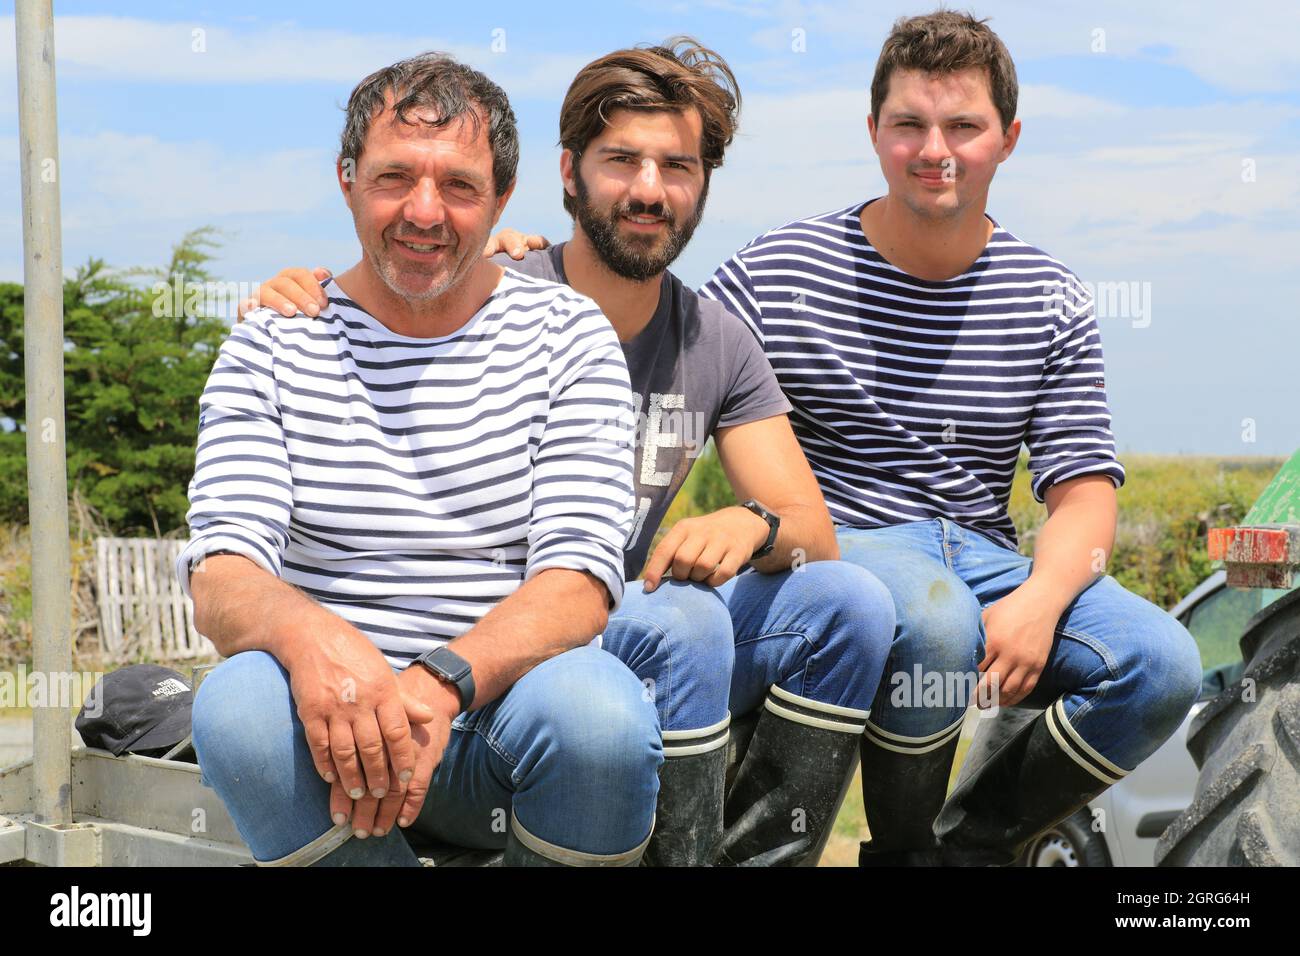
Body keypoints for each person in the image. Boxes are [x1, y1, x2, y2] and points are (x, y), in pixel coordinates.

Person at [251, 38, 895, 867]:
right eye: (621, 160)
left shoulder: (719, 341)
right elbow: (386, 284)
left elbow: (813, 530)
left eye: (678, 166)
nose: (649, 190)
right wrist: (293, 295)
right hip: (515, 636)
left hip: (632, 615)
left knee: (851, 604)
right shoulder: (489, 287)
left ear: (704, 184)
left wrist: (755, 524)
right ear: (568, 173)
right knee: (689, 623)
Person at [698, 10, 1203, 864]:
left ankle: (970, 847)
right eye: (909, 125)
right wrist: (531, 269)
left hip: (986, 552)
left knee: (1163, 664)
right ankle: (900, 850)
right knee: (935, 621)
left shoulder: (1050, 296)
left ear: (1006, 138)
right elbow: (659, 341)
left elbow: (1083, 493)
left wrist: (1040, 602)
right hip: (840, 549)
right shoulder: (777, 270)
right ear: (874, 133)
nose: (935, 149)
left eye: (963, 126)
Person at [180, 52, 661, 867]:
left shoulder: (568, 337)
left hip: (495, 731)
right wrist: (319, 647)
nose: (424, 212)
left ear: (503, 196)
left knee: (601, 717)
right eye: (394, 177)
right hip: (326, 733)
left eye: (461, 187)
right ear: (347, 179)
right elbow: (223, 573)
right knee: (236, 706)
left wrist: (438, 683)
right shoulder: (273, 341)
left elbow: (578, 582)